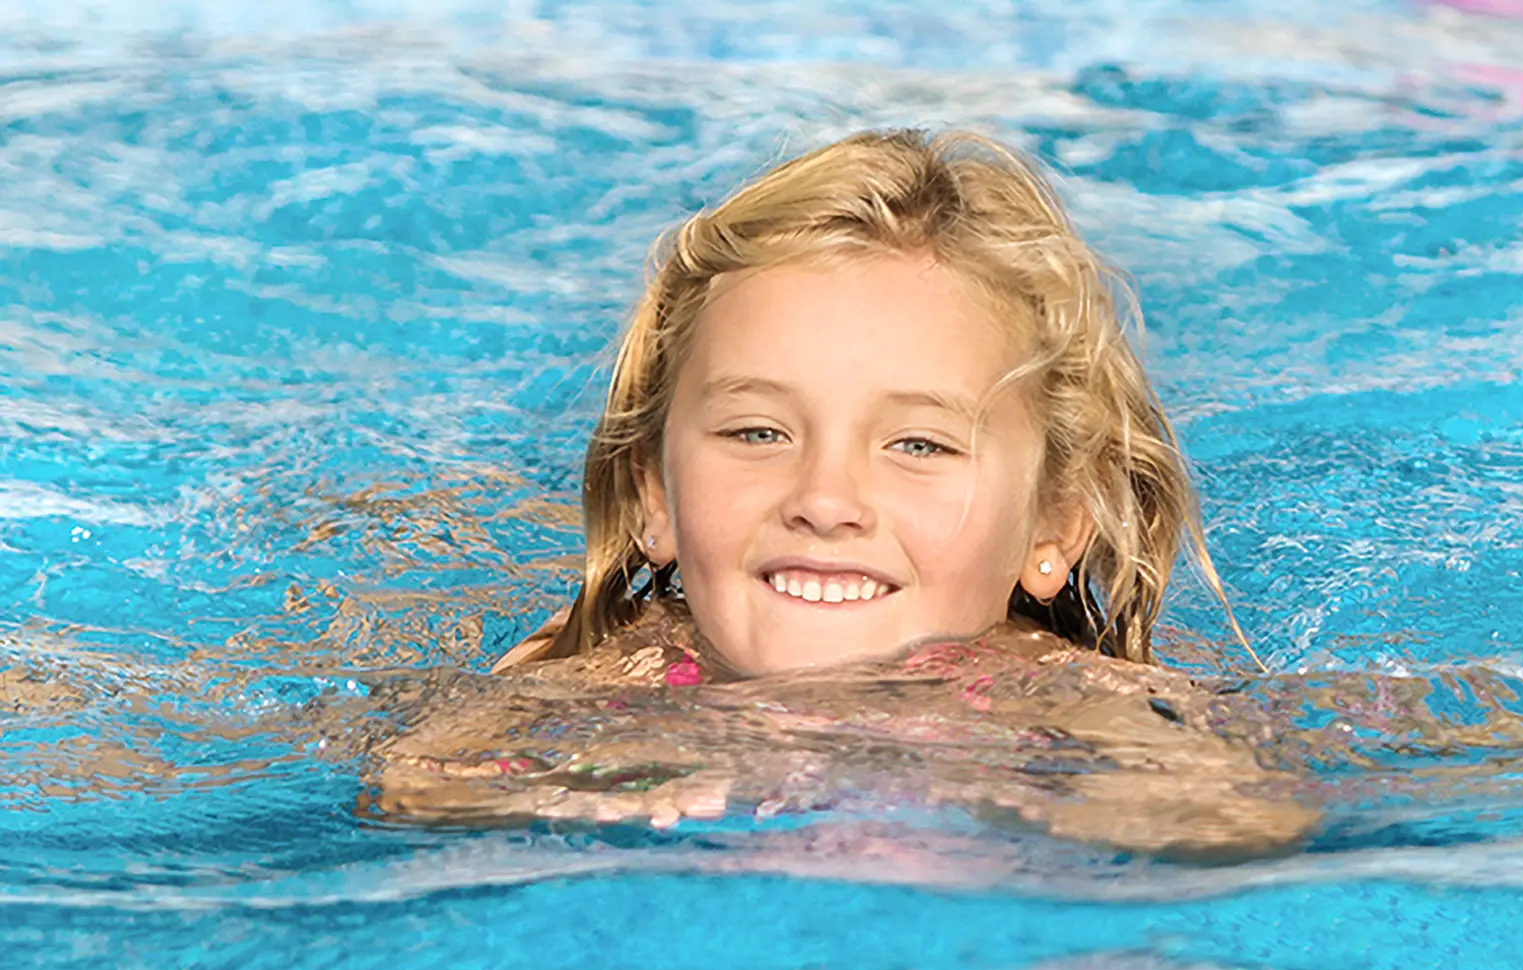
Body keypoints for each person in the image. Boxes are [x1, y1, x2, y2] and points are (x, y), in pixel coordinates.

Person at [362, 129, 1321, 862]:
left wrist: (991, 783)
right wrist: (572, 788)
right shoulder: (620, 669)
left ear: (1055, 523)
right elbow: (416, 784)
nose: (825, 500)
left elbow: (1242, 816)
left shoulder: (1058, 698)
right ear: (654, 496)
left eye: (918, 443)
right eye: (757, 433)